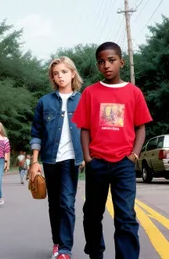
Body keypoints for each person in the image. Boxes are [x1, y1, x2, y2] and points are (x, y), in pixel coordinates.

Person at [72, 42, 152, 259]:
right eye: (101, 61)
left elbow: (141, 128)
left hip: (123, 165)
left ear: (121, 62)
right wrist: (88, 157)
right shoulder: (90, 92)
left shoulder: (133, 92)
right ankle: (96, 253)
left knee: (125, 216)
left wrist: (134, 155)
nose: (106, 65)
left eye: (111, 60)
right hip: (97, 163)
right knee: (92, 214)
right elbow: (84, 128)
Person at [29, 56, 84, 259]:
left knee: (67, 202)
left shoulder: (83, 100)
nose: (60, 76)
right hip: (51, 160)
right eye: (56, 73)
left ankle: (65, 249)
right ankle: (57, 242)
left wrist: (87, 156)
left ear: (72, 73)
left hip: (72, 160)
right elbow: (36, 132)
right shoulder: (45, 102)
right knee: (54, 203)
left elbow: (89, 131)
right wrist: (35, 161)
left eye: (63, 72)